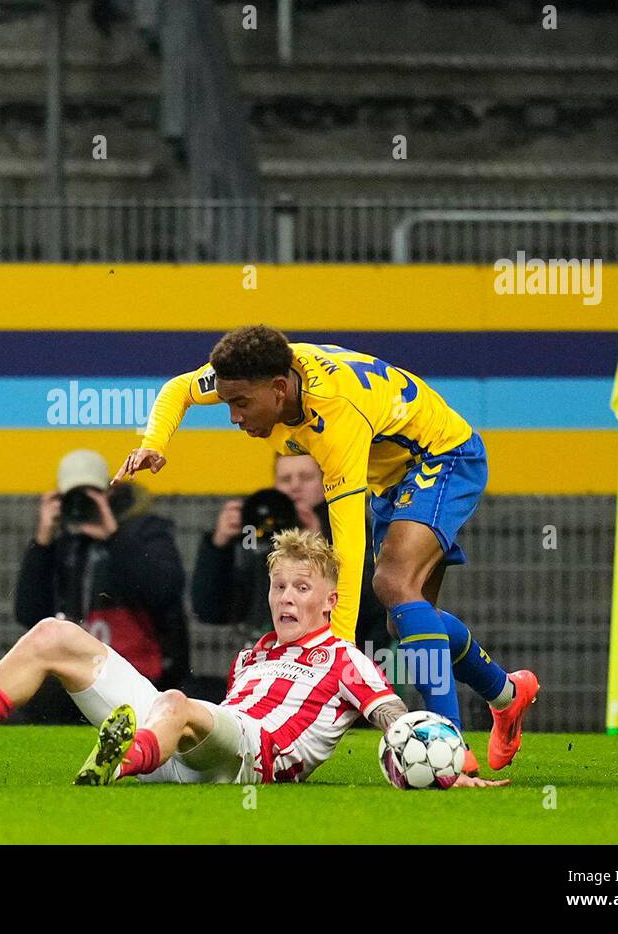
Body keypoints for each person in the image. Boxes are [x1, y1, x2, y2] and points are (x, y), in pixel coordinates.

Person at [113, 326, 539, 773]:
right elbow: (179, 388)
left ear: (280, 390)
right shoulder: (254, 373)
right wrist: (152, 445)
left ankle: (447, 744)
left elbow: (348, 537)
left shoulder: (334, 416)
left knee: (393, 584)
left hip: (443, 457)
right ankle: (508, 694)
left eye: (240, 404)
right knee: (408, 623)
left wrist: (337, 644)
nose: (233, 416)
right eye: (227, 402)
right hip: (391, 475)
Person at [0, 528, 508, 788]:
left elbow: (388, 709)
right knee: (51, 634)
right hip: (185, 743)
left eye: (301, 588)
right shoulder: (253, 655)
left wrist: (430, 752)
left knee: (176, 702)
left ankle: (115, 765)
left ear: (329, 599)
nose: (286, 597)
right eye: (279, 585)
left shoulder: (343, 656)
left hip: (253, 757)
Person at [13, 449, 190, 720]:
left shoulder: (147, 531)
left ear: (110, 493)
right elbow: (29, 614)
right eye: (72, 497)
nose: (83, 504)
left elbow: (164, 591)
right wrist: (43, 542)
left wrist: (113, 536)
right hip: (79, 675)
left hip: (145, 674)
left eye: (91, 495)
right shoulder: (64, 542)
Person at [193, 453, 390, 652]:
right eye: (286, 479)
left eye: (306, 478)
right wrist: (218, 547)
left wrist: (320, 545)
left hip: (338, 655)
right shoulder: (256, 530)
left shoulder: (351, 528)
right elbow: (210, 610)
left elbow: (371, 608)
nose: (295, 486)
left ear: (326, 483)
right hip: (264, 656)